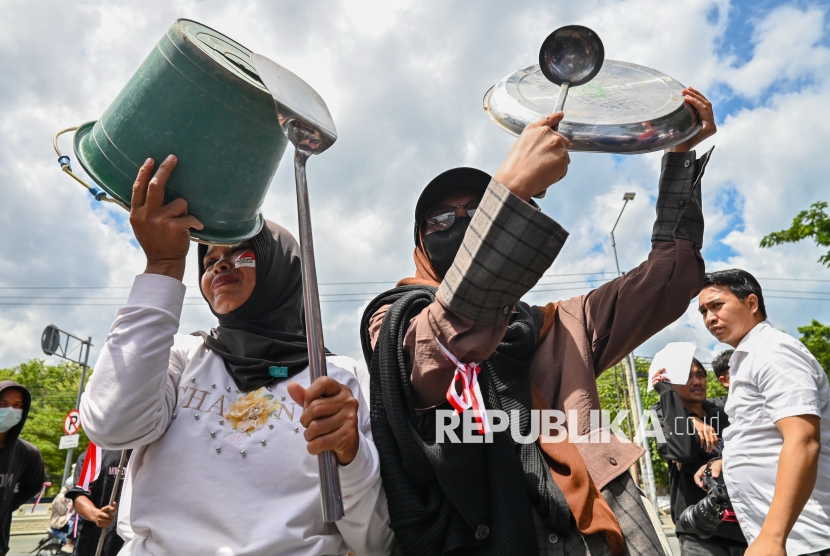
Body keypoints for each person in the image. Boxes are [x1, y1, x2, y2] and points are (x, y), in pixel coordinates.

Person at [361, 87, 716, 555]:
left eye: (477, 211)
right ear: (420, 246)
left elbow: (671, 277)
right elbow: (440, 347)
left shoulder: (562, 325)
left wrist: (678, 151)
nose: (462, 222)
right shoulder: (395, 319)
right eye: (442, 219)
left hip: (594, 528)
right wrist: (508, 193)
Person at [80, 156, 394, 555]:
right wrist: (162, 266)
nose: (221, 264)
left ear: (283, 268)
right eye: (209, 260)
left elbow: (376, 542)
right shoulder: (182, 356)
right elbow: (110, 426)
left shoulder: (337, 380)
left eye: (244, 253)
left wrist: (352, 455)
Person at [696, 269, 830, 556]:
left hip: (806, 538)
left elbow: (803, 440)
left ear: (752, 303)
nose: (709, 318)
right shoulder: (747, 359)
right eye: (703, 311)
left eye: (717, 305)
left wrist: (773, 537)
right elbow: (764, 434)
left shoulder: (774, 352)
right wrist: (726, 460)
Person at [651, 359, 746, 555]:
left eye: (700, 375)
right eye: (686, 376)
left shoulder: (723, 412)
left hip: (745, 526)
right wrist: (668, 395)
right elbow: (681, 452)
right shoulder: (661, 417)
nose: (697, 381)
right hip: (699, 533)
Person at [0, 381, 47, 556]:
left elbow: (35, 484)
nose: (9, 410)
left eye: (17, 405)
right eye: (2, 404)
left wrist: (9, 503)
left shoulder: (27, 452)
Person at [65, 448, 132, 556]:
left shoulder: (151, 451)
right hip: (95, 545)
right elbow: (80, 495)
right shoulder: (94, 454)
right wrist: (95, 514)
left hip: (136, 545)